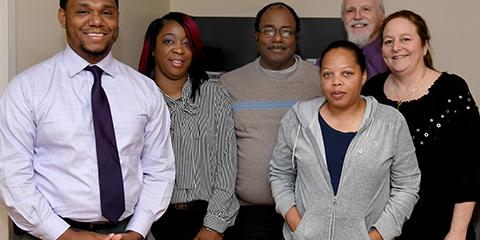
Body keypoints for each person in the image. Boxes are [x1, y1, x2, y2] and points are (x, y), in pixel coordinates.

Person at [0, 0, 176, 239]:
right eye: (83, 11)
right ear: (63, 17)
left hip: (129, 231)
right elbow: (12, 176)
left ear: (117, 19)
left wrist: (138, 230)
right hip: (48, 232)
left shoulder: (145, 90)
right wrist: (65, 234)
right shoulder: (26, 89)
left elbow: (159, 169)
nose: (96, 21)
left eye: (106, 12)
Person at [269, 40, 420, 240]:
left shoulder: (390, 123)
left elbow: (407, 185)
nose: (336, 82)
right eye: (327, 74)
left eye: (346, 73)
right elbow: (280, 174)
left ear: (363, 75)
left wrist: (377, 235)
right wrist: (298, 226)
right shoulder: (297, 119)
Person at [362, 10, 480, 240]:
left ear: (424, 46)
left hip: (442, 226)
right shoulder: (371, 91)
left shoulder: (451, 90)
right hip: (381, 228)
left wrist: (457, 231)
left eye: (405, 39)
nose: (396, 47)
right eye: (388, 41)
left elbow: (471, 166)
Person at [219, 2, 322, 240]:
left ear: (296, 37)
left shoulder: (320, 82)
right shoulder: (229, 83)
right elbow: (217, 156)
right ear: (256, 35)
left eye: (286, 31)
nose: (277, 38)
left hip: (307, 213)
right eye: (269, 30)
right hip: (246, 217)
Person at [138, 12, 238, 240]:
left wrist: (213, 226)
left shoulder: (214, 94)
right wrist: (141, 230)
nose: (179, 50)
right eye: (169, 41)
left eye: (187, 43)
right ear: (153, 48)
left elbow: (227, 164)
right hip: (151, 222)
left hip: (206, 219)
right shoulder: (137, 98)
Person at [341, 0, 387, 79]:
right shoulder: (329, 59)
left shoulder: (393, 57)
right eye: (350, 11)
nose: (357, 16)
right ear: (343, 18)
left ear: (381, 16)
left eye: (365, 9)